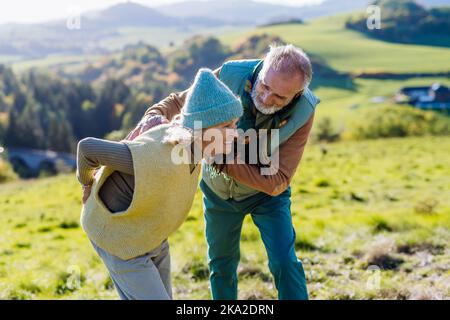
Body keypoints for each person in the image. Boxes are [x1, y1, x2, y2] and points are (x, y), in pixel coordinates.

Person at [131, 44, 320, 300]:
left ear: (296, 95)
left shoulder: (304, 111)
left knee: (285, 263)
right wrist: (152, 116)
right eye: (265, 86)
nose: (266, 99)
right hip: (218, 194)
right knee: (221, 265)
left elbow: (278, 182)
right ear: (262, 67)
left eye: (279, 97)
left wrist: (221, 161)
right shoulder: (231, 74)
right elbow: (180, 100)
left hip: (268, 197)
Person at [76, 68, 243, 300]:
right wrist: (87, 185)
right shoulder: (156, 154)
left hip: (151, 237)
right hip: (119, 240)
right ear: (201, 128)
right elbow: (88, 149)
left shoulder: (194, 152)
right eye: (227, 127)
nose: (234, 134)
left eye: (235, 125)